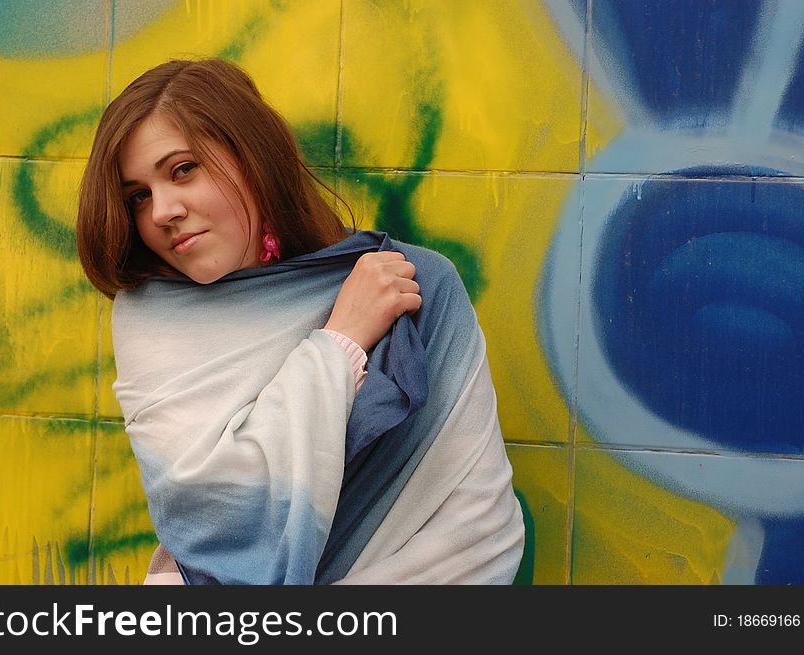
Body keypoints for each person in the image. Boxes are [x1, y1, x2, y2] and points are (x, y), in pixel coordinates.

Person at [76, 58, 524, 585]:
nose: (161, 212)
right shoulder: (152, 320)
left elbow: (480, 529)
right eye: (138, 197)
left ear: (251, 156)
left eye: (182, 170)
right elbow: (213, 519)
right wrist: (341, 342)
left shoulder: (415, 287)